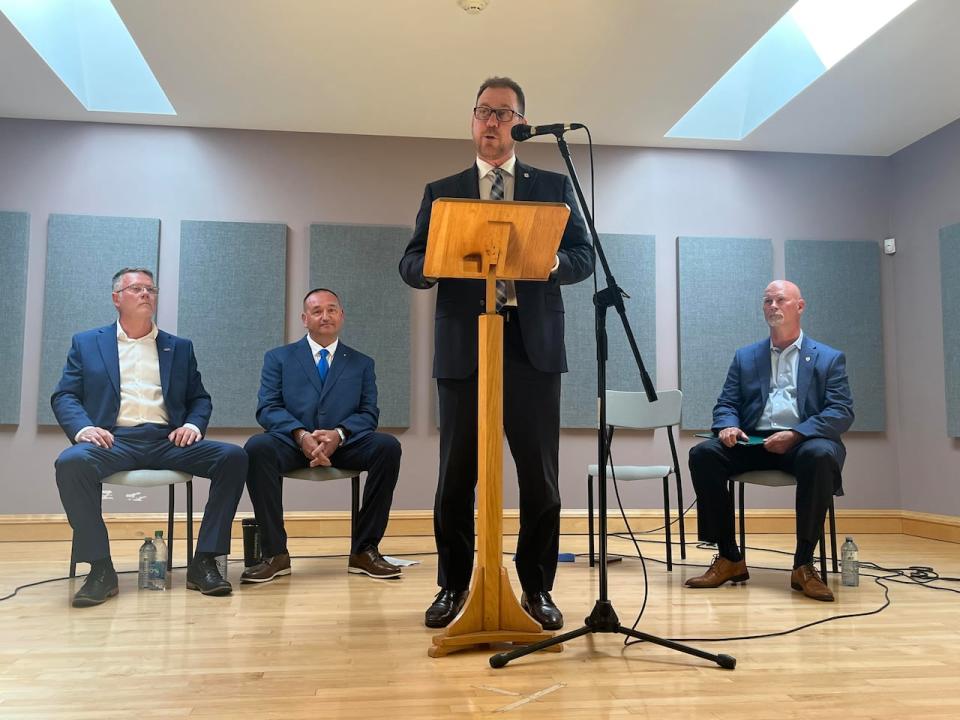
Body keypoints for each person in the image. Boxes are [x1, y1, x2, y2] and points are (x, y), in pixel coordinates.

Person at [399, 76, 592, 629]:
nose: (492, 122)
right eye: (483, 111)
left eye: (504, 114)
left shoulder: (553, 187)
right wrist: (438, 258)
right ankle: (453, 586)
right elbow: (410, 265)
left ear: (521, 124)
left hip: (532, 350)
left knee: (540, 477)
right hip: (466, 347)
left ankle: (537, 588)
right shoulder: (444, 190)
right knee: (455, 477)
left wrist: (547, 263)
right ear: (472, 120)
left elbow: (581, 256)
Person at [52, 267, 247, 607]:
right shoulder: (86, 343)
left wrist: (193, 426)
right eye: (136, 289)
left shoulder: (179, 347)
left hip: (166, 440)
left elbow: (199, 398)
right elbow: (65, 395)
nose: (146, 294)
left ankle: (204, 562)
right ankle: (100, 568)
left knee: (233, 457)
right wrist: (84, 428)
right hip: (114, 440)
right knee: (70, 463)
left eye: (150, 289)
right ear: (117, 299)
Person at [686, 280, 854, 601]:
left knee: (820, 455)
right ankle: (729, 558)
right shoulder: (746, 356)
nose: (773, 306)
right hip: (754, 441)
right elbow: (726, 403)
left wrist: (796, 434)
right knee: (703, 454)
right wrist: (728, 425)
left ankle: (804, 564)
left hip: (803, 442)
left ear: (799, 307)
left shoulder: (828, 359)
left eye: (780, 300)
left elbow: (841, 412)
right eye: (767, 301)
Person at [242, 288, 402, 582]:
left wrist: (339, 435)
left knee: (387, 446)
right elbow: (268, 408)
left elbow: (369, 414)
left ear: (341, 316)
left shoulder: (362, 363)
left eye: (331, 310)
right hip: (292, 443)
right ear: (305, 319)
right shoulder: (278, 358)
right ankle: (275, 553)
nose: (325, 316)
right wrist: (301, 435)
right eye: (317, 311)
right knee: (256, 447)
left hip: (344, 444)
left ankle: (364, 551)